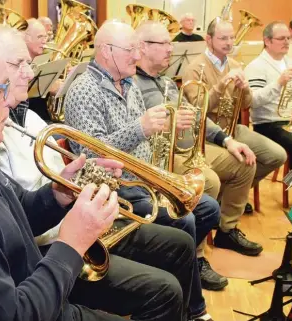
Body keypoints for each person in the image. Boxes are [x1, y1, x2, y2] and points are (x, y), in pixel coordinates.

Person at [0, 31, 194, 321]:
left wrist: (58, 194)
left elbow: (14, 217)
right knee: (161, 296)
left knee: (164, 290)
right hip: (36, 305)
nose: (8, 102)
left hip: (37, 291)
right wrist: (72, 241)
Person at [0, 27, 198, 320]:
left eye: (28, 64)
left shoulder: (31, 119)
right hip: (55, 245)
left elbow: (45, 188)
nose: (30, 73)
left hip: (77, 215)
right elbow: (92, 154)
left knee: (183, 241)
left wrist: (63, 190)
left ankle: (193, 310)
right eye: (18, 64)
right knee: (166, 285)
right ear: (108, 51)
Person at [64, 21, 219, 321]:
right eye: (131, 49)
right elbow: (89, 153)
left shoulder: (130, 83)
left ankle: (177, 284)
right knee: (185, 222)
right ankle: (192, 309)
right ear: (107, 52)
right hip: (115, 191)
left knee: (208, 208)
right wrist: (141, 128)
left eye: (138, 48)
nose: (137, 56)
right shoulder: (83, 90)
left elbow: (144, 141)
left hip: (143, 181)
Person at [133, 21, 229, 291]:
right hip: (154, 158)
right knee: (207, 182)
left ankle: (195, 251)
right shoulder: (132, 85)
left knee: (220, 177)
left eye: (169, 43)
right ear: (143, 48)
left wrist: (225, 138)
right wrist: (168, 123)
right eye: (163, 44)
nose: (171, 48)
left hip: (179, 150)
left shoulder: (165, 82)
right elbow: (137, 133)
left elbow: (195, 114)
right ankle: (192, 258)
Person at [181, 18, 286, 255]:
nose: (229, 43)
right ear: (208, 40)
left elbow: (246, 104)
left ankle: (231, 197)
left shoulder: (236, 63)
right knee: (243, 163)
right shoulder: (194, 68)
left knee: (276, 155)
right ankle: (228, 225)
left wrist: (244, 88)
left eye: (231, 38)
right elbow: (198, 109)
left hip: (233, 129)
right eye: (223, 38)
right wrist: (220, 86)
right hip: (208, 135)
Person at [245, 21, 292, 199]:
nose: (287, 42)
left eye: (288, 38)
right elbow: (254, 101)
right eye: (281, 38)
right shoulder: (255, 66)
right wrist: (278, 83)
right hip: (270, 123)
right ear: (267, 41)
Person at [24, 19, 59, 122]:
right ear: (26, 38)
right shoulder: (20, 64)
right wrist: (47, 86)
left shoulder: (45, 60)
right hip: (30, 121)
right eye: (40, 37)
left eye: (45, 37)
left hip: (44, 119)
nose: (44, 41)